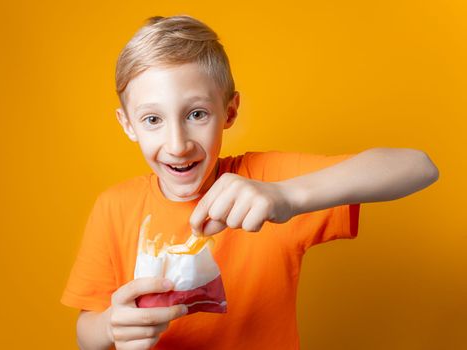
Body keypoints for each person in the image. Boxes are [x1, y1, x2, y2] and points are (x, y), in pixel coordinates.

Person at [61, 15, 439, 350]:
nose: (178, 145)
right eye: (153, 120)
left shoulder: (263, 182)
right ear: (128, 124)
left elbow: (419, 167)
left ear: (229, 111)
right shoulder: (114, 207)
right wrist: (112, 325)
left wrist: (288, 196)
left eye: (196, 114)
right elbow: (86, 333)